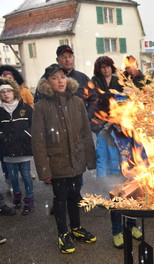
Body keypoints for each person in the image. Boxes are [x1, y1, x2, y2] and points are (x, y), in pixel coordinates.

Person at [32, 64, 96, 253]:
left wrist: (89, 159)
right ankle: (63, 233)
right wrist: (44, 169)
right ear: (47, 83)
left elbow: (86, 132)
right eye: (55, 78)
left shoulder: (76, 102)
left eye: (62, 77)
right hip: (57, 161)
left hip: (76, 159)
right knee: (60, 198)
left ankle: (76, 228)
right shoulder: (41, 107)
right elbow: (38, 141)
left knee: (75, 196)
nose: (60, 81)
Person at [96, 120, 143, 249]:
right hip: (113, 176)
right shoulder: (105, 135)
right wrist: (102, 179)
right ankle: (117, 231)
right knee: (116, 206)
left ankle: (132, 225)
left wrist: (144, 170)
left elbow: (142, 152)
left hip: (131, 174)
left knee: (132, 202)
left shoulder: (133, 132)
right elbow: (102, 159)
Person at [34, 45, 97, 120]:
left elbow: (94, 98)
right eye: (64, 57)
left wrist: (87, 116)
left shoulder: (83, 78)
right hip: (56, 124)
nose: (67, 60)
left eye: (70, 56)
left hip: (80, 124)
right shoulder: (47, 79)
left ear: (73, 58)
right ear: (57, 60)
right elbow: (38, 102)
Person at [0, 77, 34, 215]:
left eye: (9, 91)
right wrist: (3, 137)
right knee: (12, 177)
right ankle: (17, 196)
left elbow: (33, 125)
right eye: (3, 92)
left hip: (23, 149)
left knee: (26, 175)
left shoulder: (25, 108)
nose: (6, 94)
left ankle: (29, 200)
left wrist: (26, 135)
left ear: (15, 92)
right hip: (7, 150)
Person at [91, 56, 123, 134]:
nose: (106, 69)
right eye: (103, 67)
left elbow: (122, 96)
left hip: (116, 115)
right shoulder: (95, 80)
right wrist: (112, 95)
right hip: (100, 116)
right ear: (99, 69)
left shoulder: (118, 80)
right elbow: (97, 96)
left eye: (108, 66)